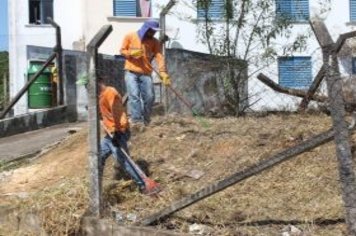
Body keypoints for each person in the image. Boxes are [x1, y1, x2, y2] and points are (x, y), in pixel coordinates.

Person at [98, 76, 159, 195]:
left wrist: (116, 133)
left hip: (118, 131)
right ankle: (97, 185)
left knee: (124, 160)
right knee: (98, 156)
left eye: (87, 85)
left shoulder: (110, 93)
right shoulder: (100, 96)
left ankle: (144, 184)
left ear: (97, 82)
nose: (86, 89)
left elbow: (116, 114)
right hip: (110, 133)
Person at [120, 19, 171, 130]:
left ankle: (146, 120)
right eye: (152, 30)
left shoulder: (155, 42)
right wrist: (130, 54)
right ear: (146, 28)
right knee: (134, 95)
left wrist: (163, 73)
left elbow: (159, 56)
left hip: (146, 73)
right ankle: (136, 121)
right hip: (131, 72)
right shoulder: (130, 36)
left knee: (150, 97)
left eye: (155, 31)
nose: (154, 33)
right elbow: (122, 50)